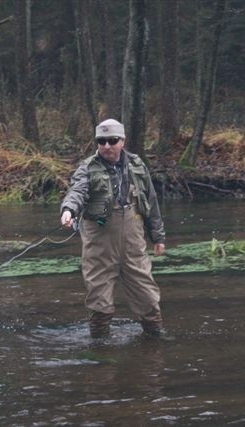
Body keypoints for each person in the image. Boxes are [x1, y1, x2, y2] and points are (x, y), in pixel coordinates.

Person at [60, 118, 166, 338]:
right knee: (99, 303)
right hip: (99, 245)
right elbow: (77, 191)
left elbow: (151, 201)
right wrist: (68, 210)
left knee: (148, 298)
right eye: (101, 141)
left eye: (112, 140)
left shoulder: (137, 164)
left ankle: (155, 340)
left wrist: (158, 237)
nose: (107, 146)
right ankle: (99, 349)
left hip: (133, 241)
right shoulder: (88, 168)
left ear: (122, 141)